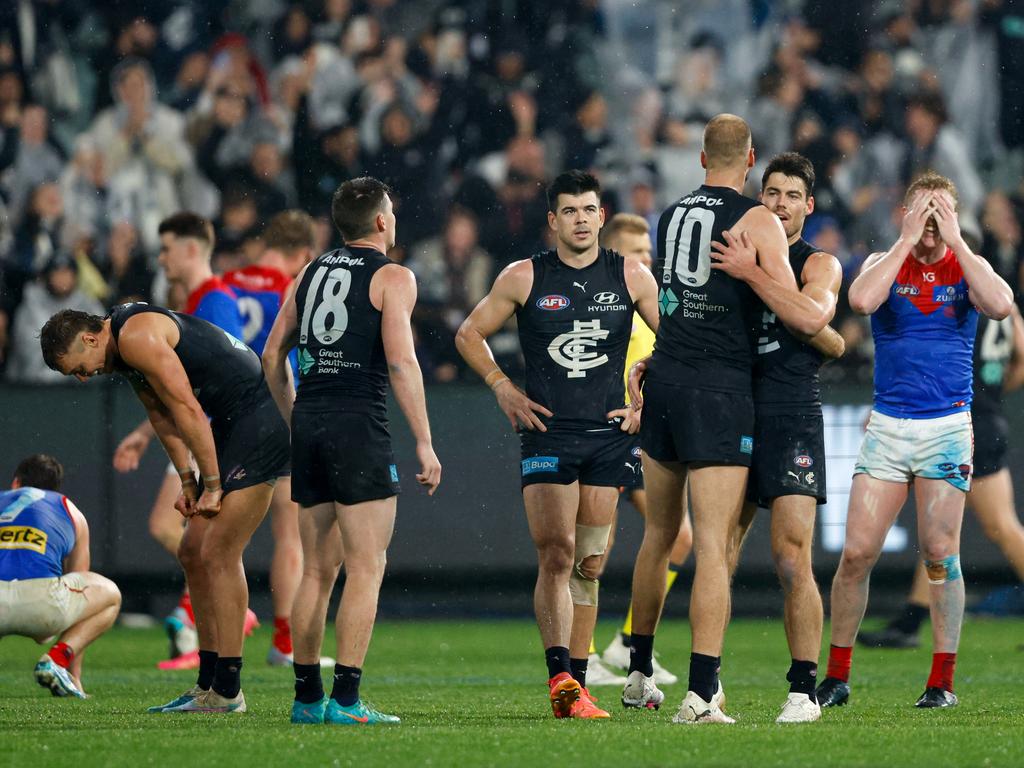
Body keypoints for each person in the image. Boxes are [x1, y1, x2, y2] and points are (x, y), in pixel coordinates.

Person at [623, 114, 818, 724]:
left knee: (657, 536)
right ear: (752, 159)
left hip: (667, 383)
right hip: (718, 390)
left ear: (703, 158)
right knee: (711, 546)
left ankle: (638, 672)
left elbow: (674, 300)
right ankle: (702, 693)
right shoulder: (757, 221)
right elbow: (797, 314)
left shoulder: (673, 214)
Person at [457, 170, 661, 719]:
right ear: (553, 220)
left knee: (590, 564)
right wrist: (503, 387)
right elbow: (467, 334)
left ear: (601, 215)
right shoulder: (524, 276)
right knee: (557, 555)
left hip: (606, 437)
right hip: (548, 435)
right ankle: (562, 682)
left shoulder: (632, 276)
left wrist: (643, 403)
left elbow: (677, 344)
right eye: (568, 211)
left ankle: (580, 680)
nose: (579, 219)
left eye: (588, 210)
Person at [815, 171, 1013, 710]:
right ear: (904, 214)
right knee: (856, 553)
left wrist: (957, 239)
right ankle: (837, 676)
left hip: (947, 426)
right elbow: (859, 300)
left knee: (940, 554)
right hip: (888, 425)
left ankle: (941, 682)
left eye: (940, 213)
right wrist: (905, 239)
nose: (930, 225)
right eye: (922, 213)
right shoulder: (888, 261)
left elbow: (999, 303)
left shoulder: (965, 265)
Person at [39, 295, 292, 714]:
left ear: (89, 337)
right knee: (192, 551)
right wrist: (189, 481)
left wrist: (212, 484)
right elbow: (162, 417)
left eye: (79, 368)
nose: (85, 378)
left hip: (260, 420)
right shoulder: (123, 348)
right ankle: (207, 682)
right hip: (233, 424)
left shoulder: (135, 336)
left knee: (220, 553)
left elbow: (187, 407)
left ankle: (228, 689)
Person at [262, 177, 441, 726]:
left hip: (312, 421)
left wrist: (298, 419)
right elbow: (402, 362)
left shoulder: (308, 273)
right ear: (383, 221)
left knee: (317, 571)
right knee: (367, 566)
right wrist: (425, 441)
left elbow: (272, 357)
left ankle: (306, 698)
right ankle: (345, 701)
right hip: (359, 423)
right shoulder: (394, 276)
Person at [715, 152, 845, 723]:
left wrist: (752, 275)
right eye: (771, 193)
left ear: (808, 206)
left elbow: (811, 319)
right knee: (719, 554)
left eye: (792, 196)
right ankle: (707, 681)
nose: (780, 205)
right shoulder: (735, 247)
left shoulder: (821, 263)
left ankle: (802, 691)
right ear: (757, 197)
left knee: (792, 558)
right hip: (735, 409)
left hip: (792, 412)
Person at [110, 212, 255, 671]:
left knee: (201, 544)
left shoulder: (213, 300)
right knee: (193, 543)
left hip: (210, 431)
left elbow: (209, 384)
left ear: (193, 249)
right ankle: (206, 622)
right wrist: (144, 433)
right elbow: (171, 389)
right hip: (200, 427)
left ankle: (217, 617)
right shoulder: (194, 300)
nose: (161, 258)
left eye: (167, 248)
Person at [860, 306, 1024, 648]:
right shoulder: (1000, 296)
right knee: (942, 530)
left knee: (999, 527)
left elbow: (929, 353)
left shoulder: (961, 293)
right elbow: (1020, 355)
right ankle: (911, 620)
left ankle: (910, 622)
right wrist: (991, 394)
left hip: (957, 419)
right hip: (986, 415)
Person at [594, 213, 690, 687]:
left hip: (643, 431)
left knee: (680, 536)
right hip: (610, 429)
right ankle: (584, 655)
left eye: (650, 253)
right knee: (595, 543)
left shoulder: (651, 303)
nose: (646, 261)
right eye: (636, 253)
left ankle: (629, 642)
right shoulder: (607, 305)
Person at [224, 210, 318, 667]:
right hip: (276, 409)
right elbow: (284, 352)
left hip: (226, 414)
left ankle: (213, 642)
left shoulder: (225, 283)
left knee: (221, 535)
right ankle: (285, 641)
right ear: (303, 252)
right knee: (289, 532)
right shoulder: (293, 287)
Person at [0, 454, 122, 699]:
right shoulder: (70, 509)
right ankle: (57, 661)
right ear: (55, 488)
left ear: (15, 483)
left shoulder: (3, 497)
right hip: (43, 606)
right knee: (110, 596)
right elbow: (80, 578)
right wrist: (74, 676)